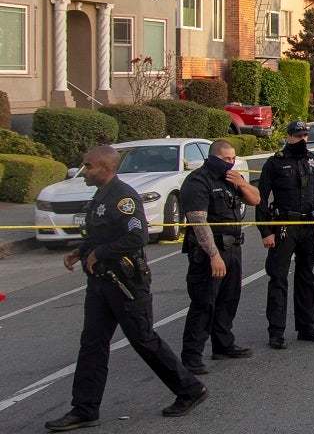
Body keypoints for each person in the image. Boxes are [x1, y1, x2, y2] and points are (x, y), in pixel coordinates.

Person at [46, 146, 208, 431]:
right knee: (92, 345)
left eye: (89, 166)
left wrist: (101, 253)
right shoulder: (100, 195)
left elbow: (137, 236)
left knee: (143, 340)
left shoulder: (124, 197)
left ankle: (190, 389)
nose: (83, 171)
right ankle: (85, 409)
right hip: (100, 284)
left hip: (126, 283)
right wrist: (82, 250)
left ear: (107, 168)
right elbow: (102, 231)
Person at [179, 139, 260, 375]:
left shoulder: (231, 179)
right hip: (209, 252)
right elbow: (197, 221)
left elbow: (255, 199)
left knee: (229, 299)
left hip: (233, 247)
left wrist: (242, 184)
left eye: (233, 158)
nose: (231, 162)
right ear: (213, 157)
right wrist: (213, 255)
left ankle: (223, 345)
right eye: (226, 158)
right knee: (204, 303)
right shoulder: (198, 180)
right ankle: (191, 356)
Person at [256, 120, 314, 349]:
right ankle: (276, 332)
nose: (303, 139)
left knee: (306, 277)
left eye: (305, 136)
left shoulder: (313, 161)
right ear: (288, 137)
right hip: (284, 226)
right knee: (278, 278)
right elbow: (261, 199)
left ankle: (306, 327)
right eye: (298, 136)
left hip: (309, 226)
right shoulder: (275, 163)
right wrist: (265, 231)